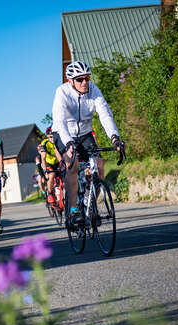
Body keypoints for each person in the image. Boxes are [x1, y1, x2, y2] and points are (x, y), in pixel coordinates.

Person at [51, 61, 125, 223]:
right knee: (73, 164)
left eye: (87, 78)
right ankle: (73, 210)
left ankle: (89, 204)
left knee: (99, 166)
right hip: (63, 132)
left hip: (84, 133)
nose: (85, 82)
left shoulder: (93, 90)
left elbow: (105, 115)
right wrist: (69, 143)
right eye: (79, 79)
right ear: (70, 81)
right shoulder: (62, 92)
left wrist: (115, 137)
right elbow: (60, 121)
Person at [39, 127, 60, 204]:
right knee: (51, 175)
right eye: (50, 137)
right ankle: (50, 193)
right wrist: (45, 171)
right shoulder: (44, 143)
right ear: (47, 136)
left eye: (53, 136)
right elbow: (43, 158)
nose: (52, 139)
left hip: (58, 162)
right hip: (48, 163)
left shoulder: (58, 141)